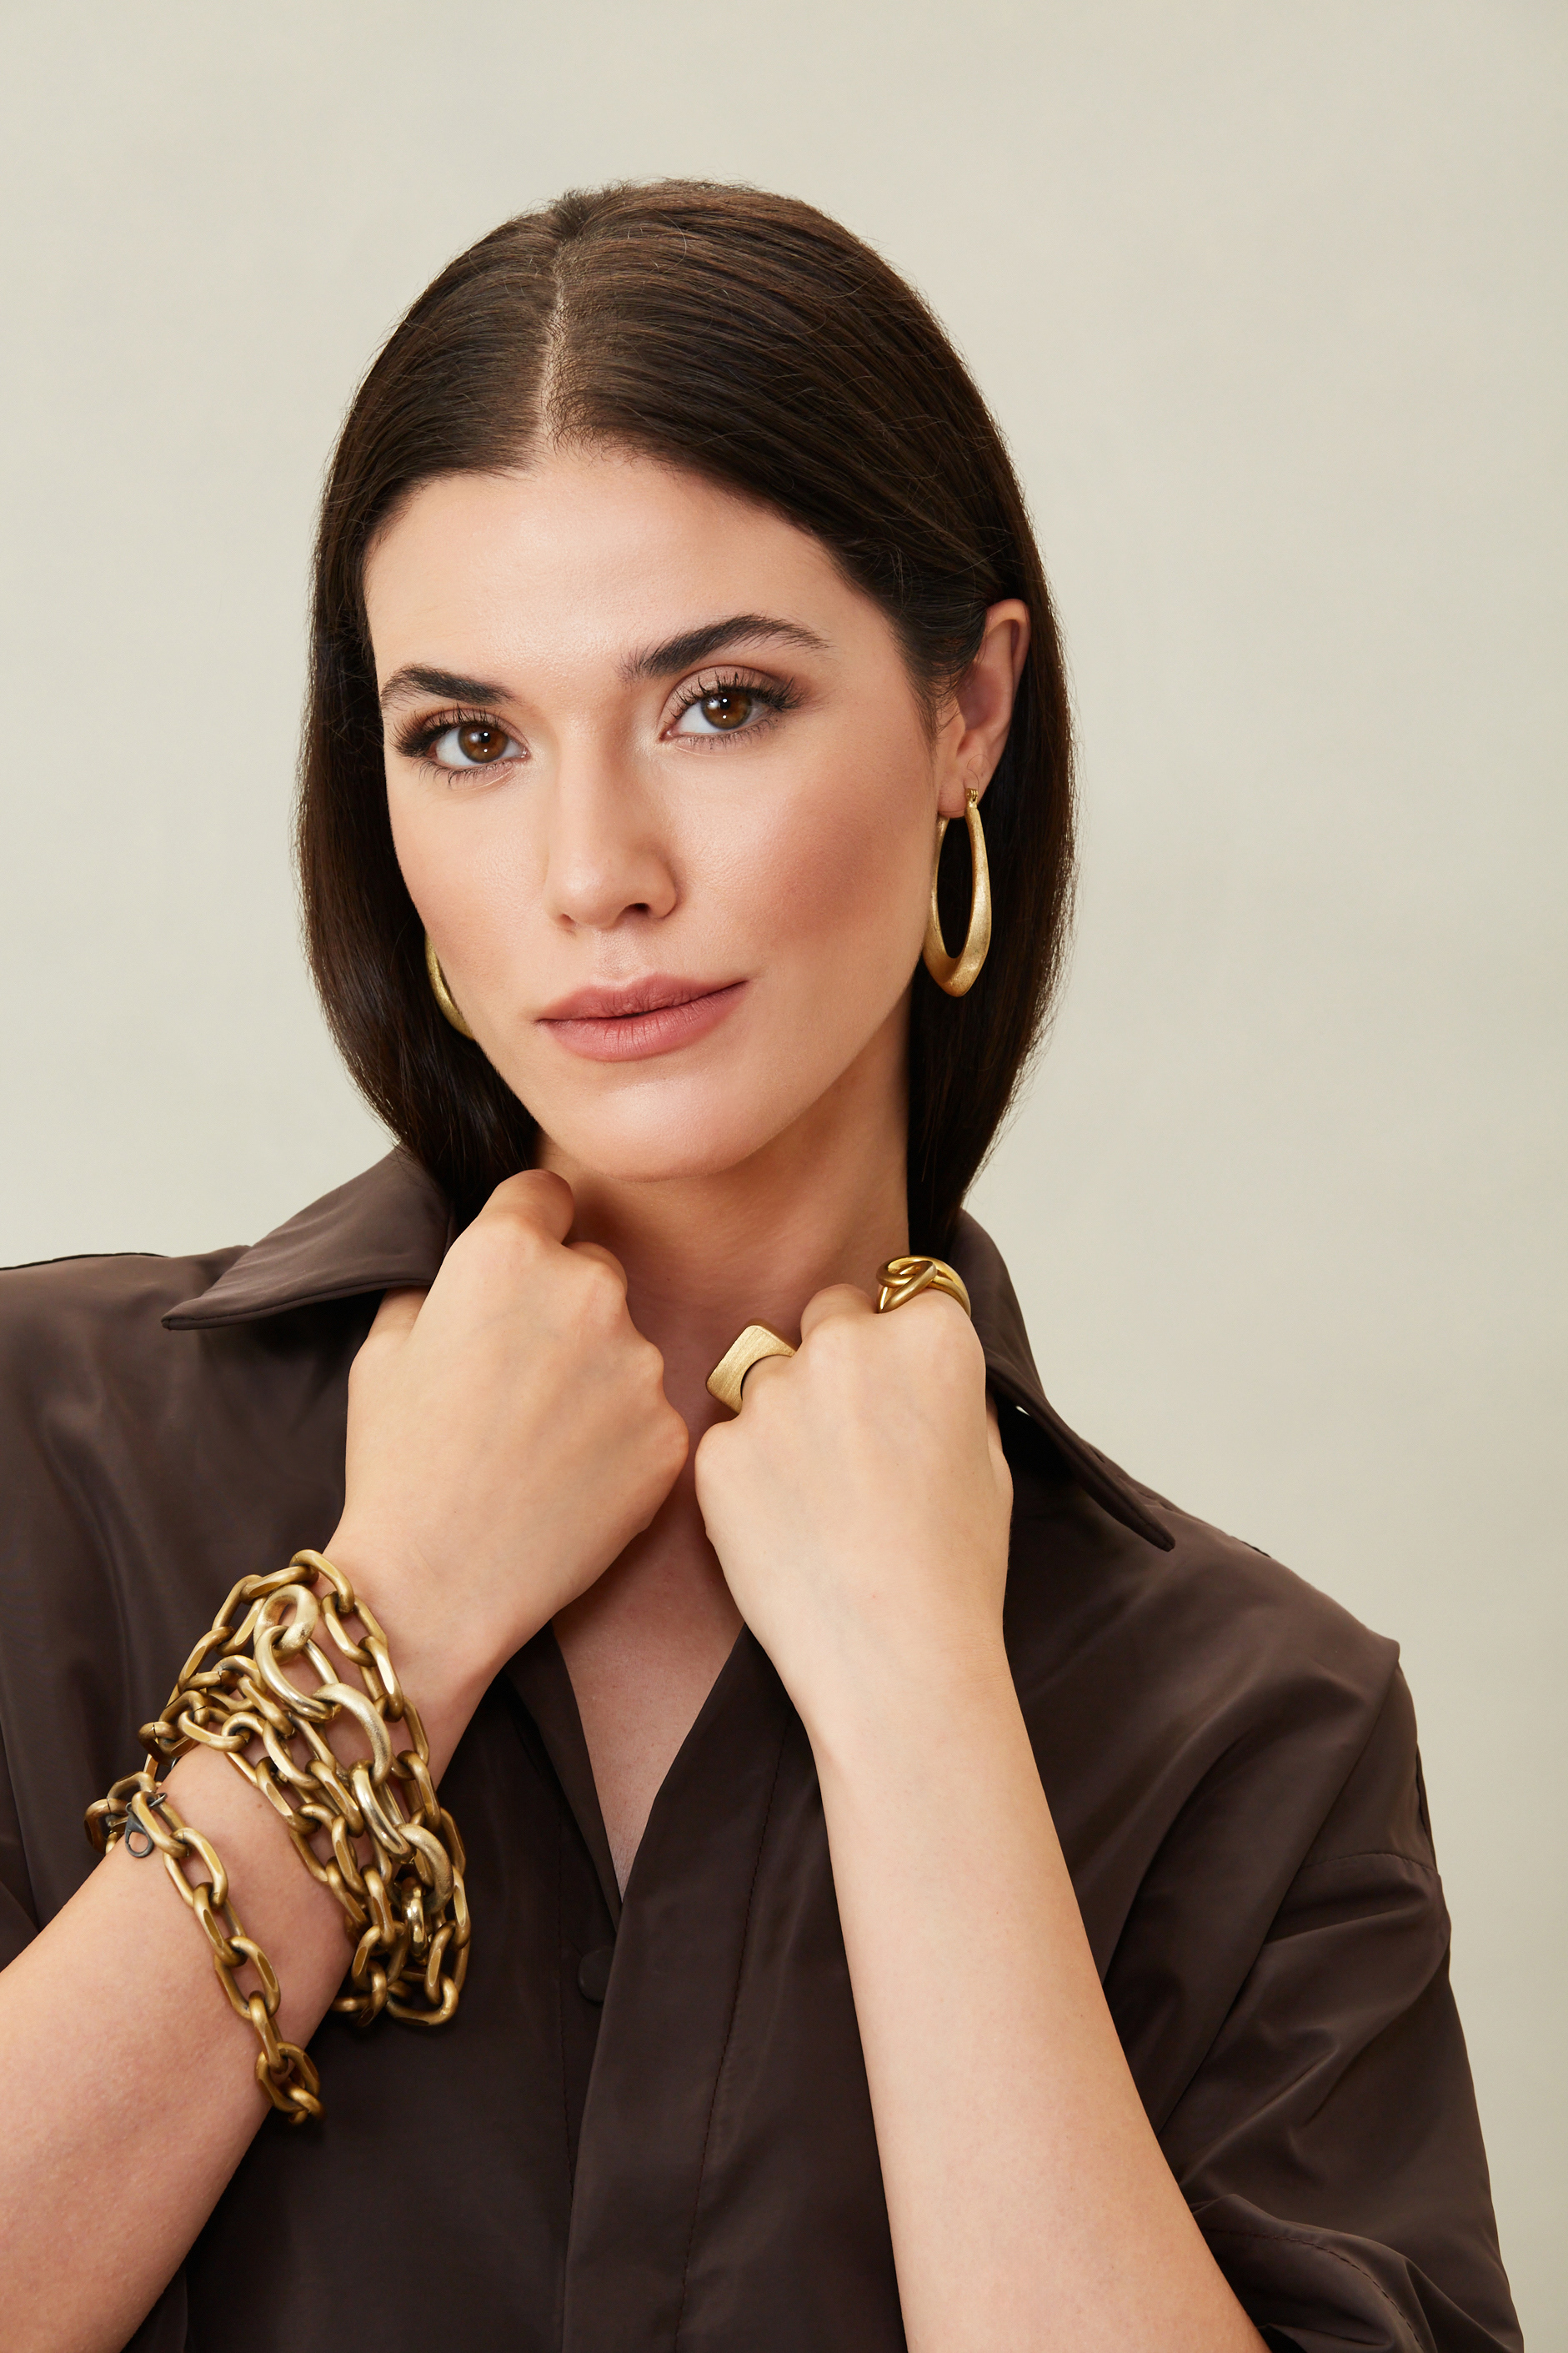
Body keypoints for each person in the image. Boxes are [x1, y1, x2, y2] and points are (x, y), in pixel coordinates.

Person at [0, 182, 1520, 2353]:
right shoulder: (46, 1468)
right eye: (468, 738)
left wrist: (917, 1691)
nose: (592, 871)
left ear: (968, 710)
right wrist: (386, 1625)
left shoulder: (1256, 1732)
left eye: (717, 704)